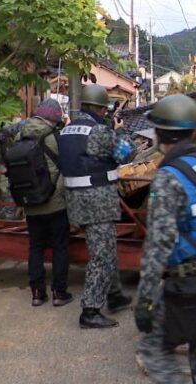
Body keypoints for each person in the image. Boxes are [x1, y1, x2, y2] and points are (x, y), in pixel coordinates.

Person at [134, 94, 196, 383]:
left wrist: (145, 300)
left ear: (161, 132)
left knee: (154, 350)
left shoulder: (168, 176)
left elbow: (157, 245)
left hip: (189, 284)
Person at [57, 83, 135, 329]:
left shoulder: (68, 130)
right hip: (97, 201)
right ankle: (90, 310)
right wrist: (120, 132)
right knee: (101, 255)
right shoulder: (99, 132)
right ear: (101, 108)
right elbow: (126, 154)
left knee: (106, 248)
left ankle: (114, 295)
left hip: (76, 200)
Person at [20, 98, 73, 307]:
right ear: (55, 118)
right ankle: (59, 293)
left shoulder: (20, 135)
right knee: (60, 247)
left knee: (35, 247)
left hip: (31, 202)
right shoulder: (55, 138)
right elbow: (66, 166)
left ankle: (37, 293)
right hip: (55, 202)